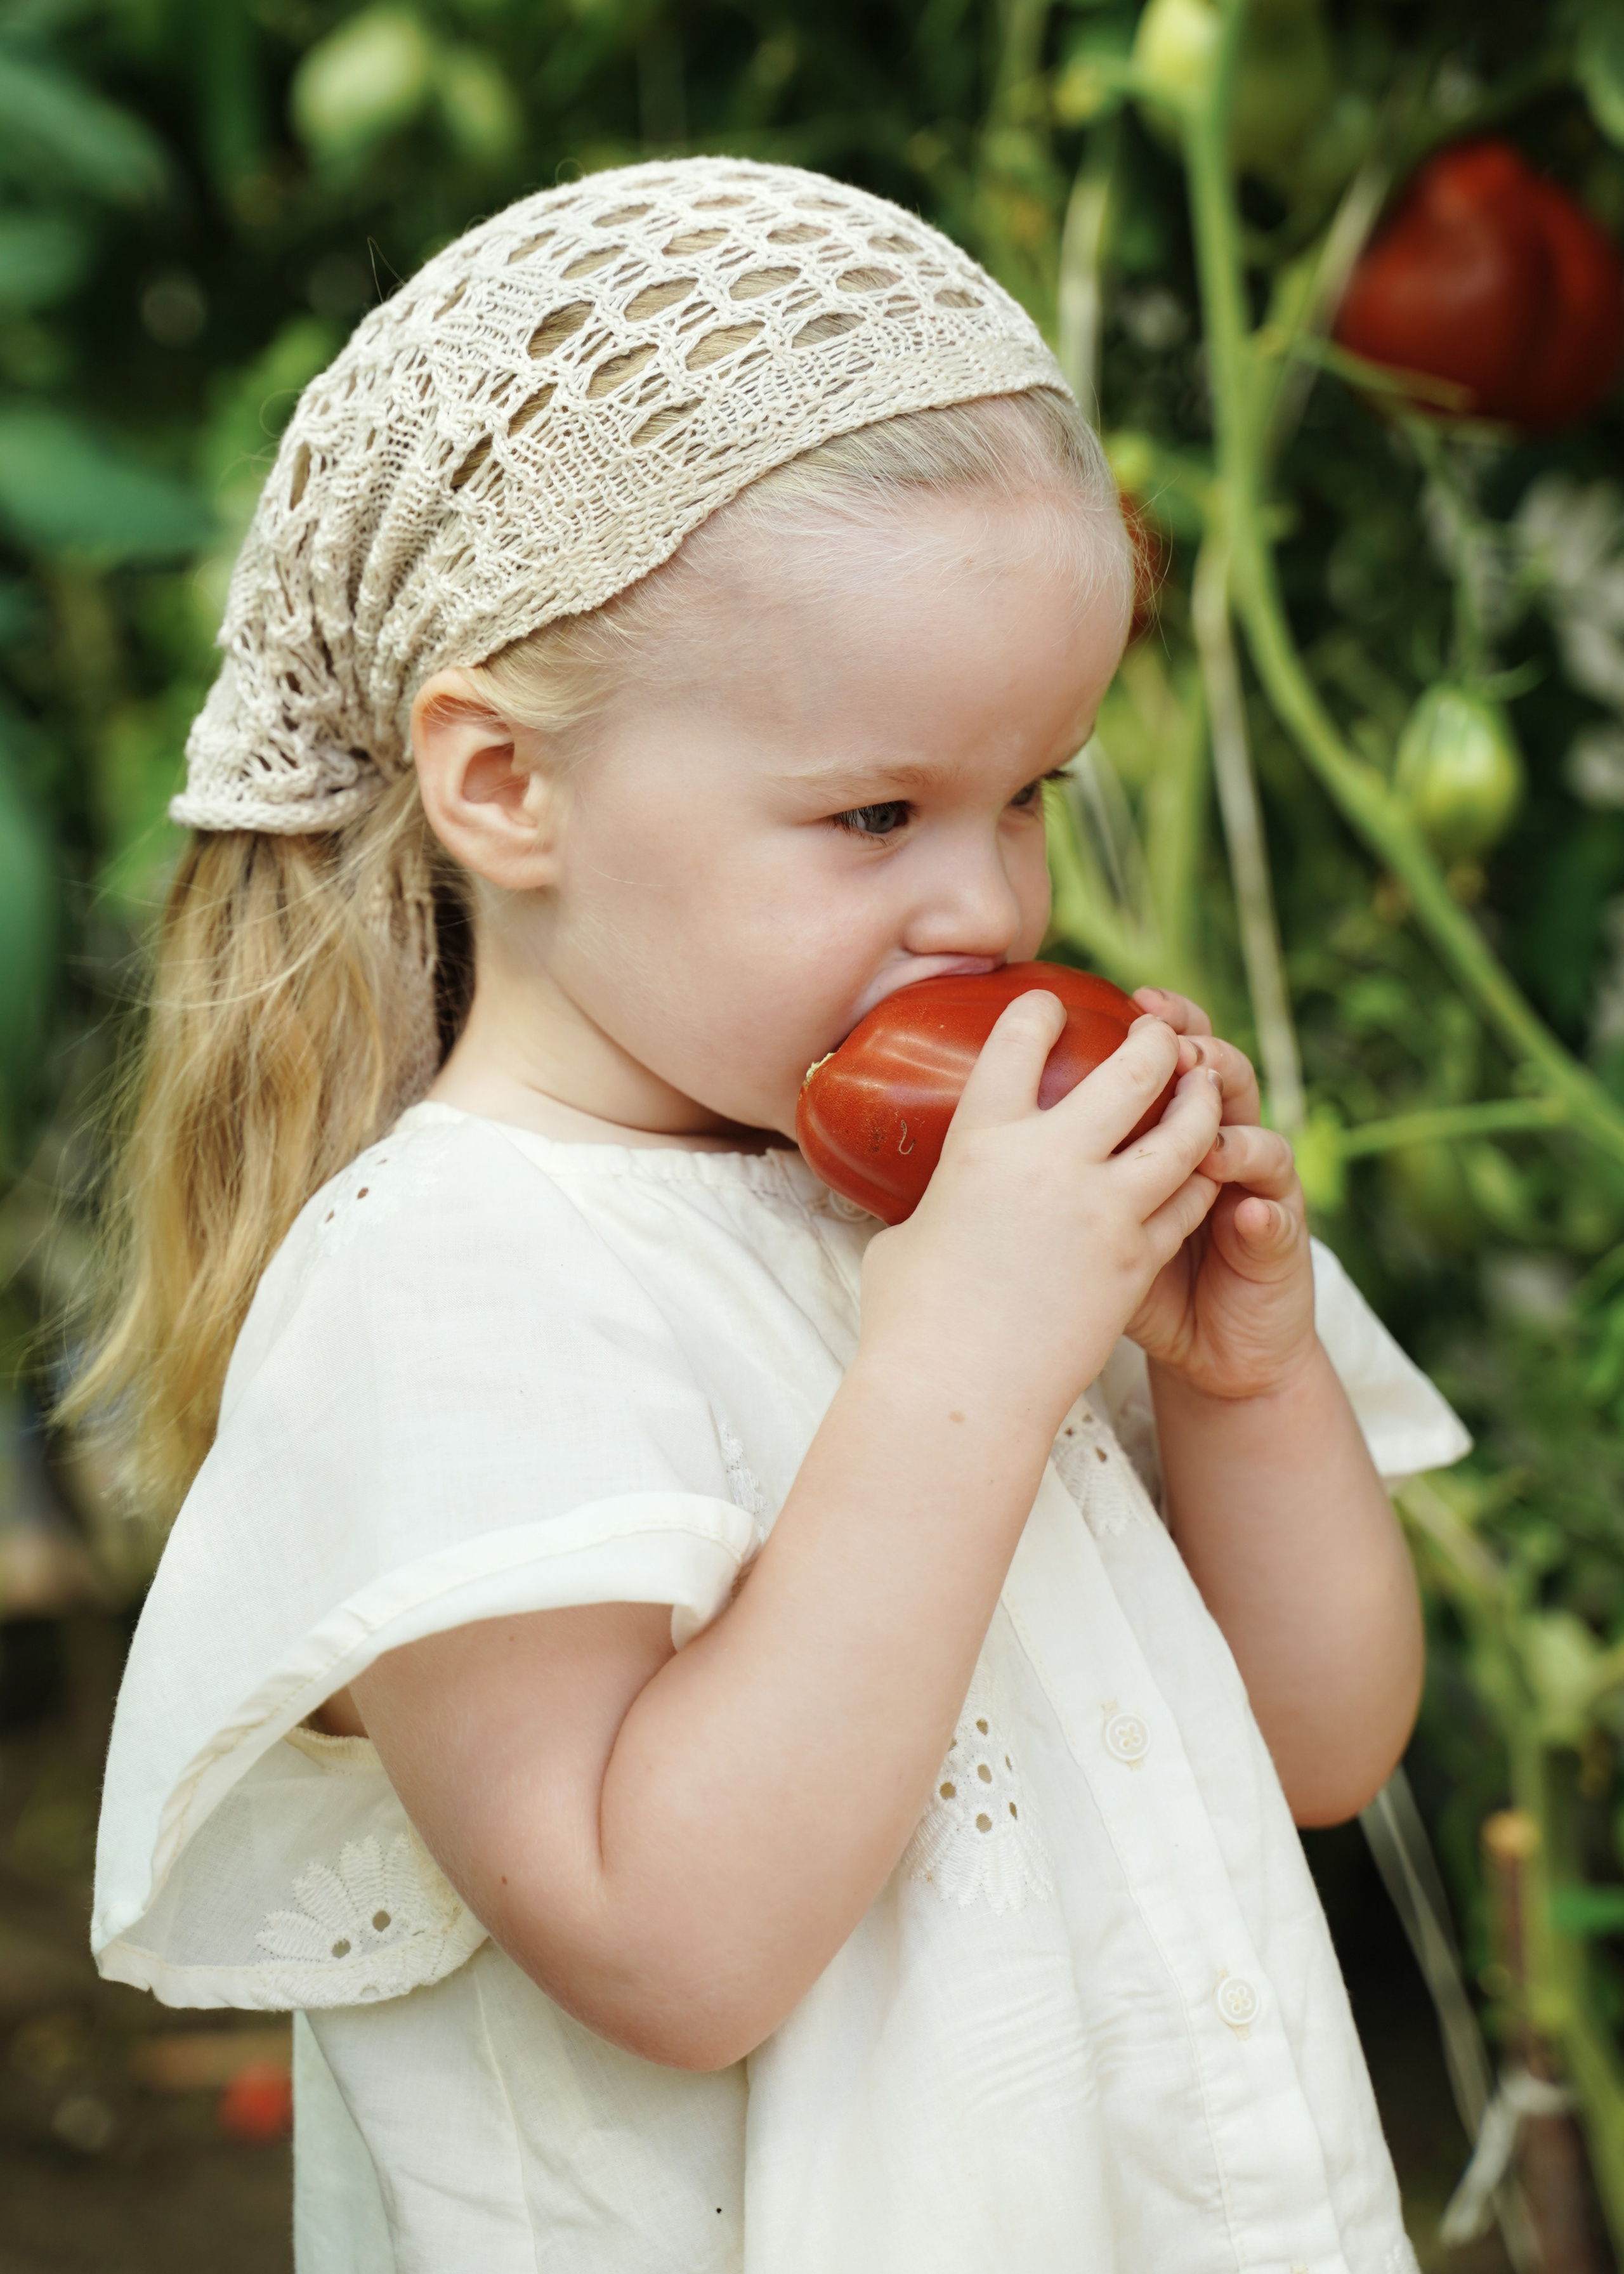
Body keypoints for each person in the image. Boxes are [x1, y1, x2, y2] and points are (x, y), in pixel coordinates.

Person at [83, 157, 1468, 2273]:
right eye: (877, 812)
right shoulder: (459, 1279)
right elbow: (673, 1942)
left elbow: (1322, 1743)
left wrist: (1245, 1382)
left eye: (1030, 796)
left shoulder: (971, 1192)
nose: (991, 904)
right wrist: (970, 1366)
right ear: (505, 786)